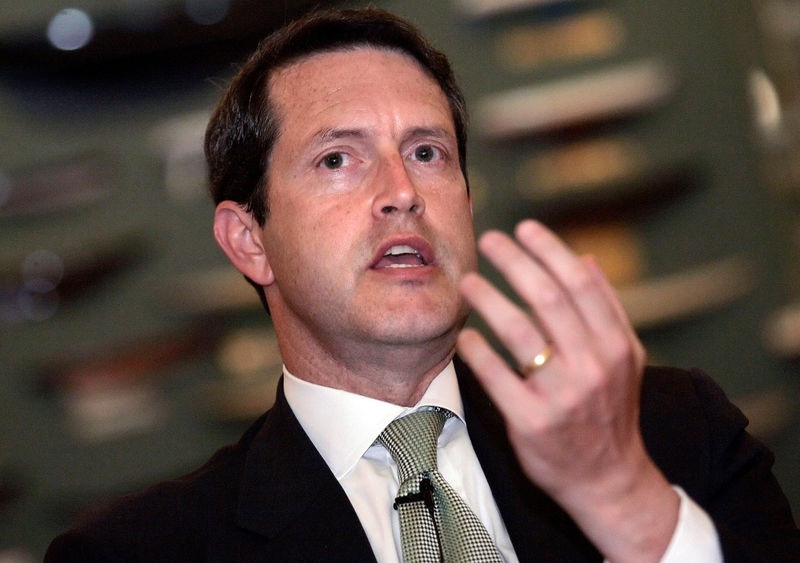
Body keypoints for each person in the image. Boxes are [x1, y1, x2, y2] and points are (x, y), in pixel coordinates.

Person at [46, 7, 799, 562]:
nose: (401, 191)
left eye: (429, 153)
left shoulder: (675, 434)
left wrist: (628, 506)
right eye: (338, 159)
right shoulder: (140, 554)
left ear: (468, 207)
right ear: (250, 242)